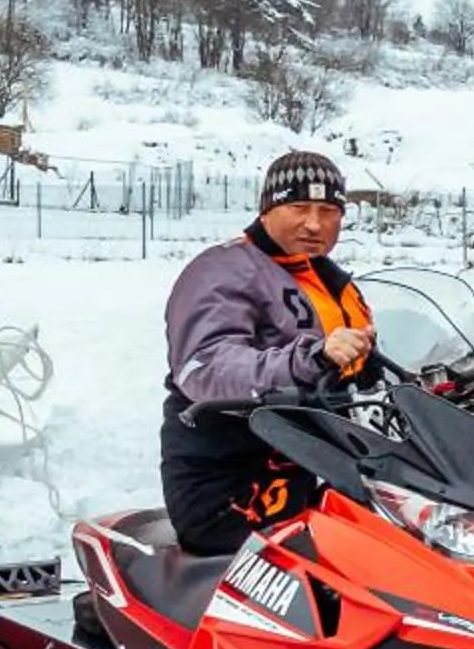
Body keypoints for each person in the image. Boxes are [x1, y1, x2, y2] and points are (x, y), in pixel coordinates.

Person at [160, 149, 377, 554]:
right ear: (267, 210)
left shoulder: (329, 281)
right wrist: (309, 358)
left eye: (329, 210)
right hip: (234, 479)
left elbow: (365, 367)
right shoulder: (223, 270)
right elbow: (206, 366)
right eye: (299, 207)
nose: (315, 223)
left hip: (314, 465)